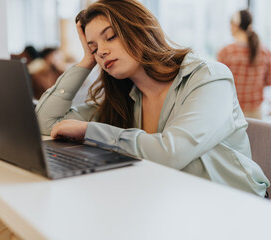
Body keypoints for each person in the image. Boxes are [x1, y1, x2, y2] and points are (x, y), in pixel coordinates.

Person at [36, 0, 269, 196]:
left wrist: (90, 130)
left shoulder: (208, 78)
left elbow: (171, 153)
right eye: (94, 48)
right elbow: (45, 123)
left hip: (234, 209)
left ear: (140, 30)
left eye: (111, 37)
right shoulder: (125, 98)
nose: (102, 52)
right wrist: (86, 61)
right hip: (171, 202)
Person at [218, 9, 271, 119]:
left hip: (232, 111)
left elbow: (219, 83)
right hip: (256, 112)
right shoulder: (264, 52)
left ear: (235, 25)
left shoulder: (226, 52)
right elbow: (268, 81)